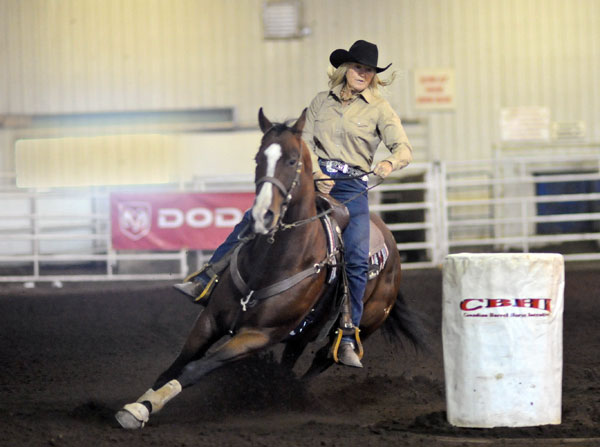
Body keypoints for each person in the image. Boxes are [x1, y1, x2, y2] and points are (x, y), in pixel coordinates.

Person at [174, 39, 412, 368]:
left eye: (369, 70)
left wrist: (389, 163)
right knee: (254, 218)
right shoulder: (319, 103)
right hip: (315, 180)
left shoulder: (380, 109)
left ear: (374, 76)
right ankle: (206, 278)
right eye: (358, 67)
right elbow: (305, 140)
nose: (363, 74)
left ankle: (347, 332)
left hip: (351, 187)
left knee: (356, 255)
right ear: (346, 69)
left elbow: (403, 148)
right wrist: (315, 174)